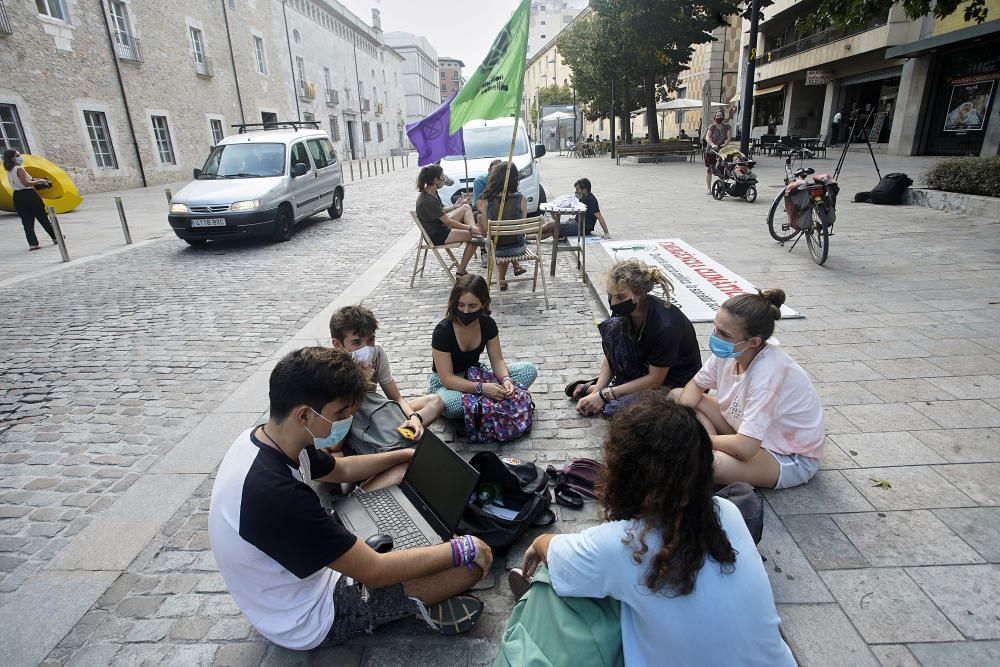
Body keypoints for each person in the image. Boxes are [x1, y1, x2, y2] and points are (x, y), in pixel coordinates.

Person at [209, 347, 492, 651]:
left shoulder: (270, 438)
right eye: (340, 414)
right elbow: (376, 571)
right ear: (304, 414)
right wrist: (462, 548)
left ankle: (412, 554)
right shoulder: (280, 497)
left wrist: (408, 455)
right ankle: (415, 604)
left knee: (397, 468)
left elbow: (340, 468)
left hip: (297, 570)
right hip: (310, 614)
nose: (346, 421)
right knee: (474, 563)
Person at [509, 393, 794, 666]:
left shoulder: (622, 544)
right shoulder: (727, 512)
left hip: (600, 567)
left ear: (620, 474)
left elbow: (554, 551)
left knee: (561, 577)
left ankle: (543, 616)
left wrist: (539, 542)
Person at [674, 289, 824, 489]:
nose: (715, 337)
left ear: (754, 342)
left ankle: (703, 447)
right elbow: (695, 386)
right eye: (715, 328)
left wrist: (699, 439)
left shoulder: (768, 375)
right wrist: (681, 423)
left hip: (785, 456)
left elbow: (745, 448)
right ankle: (703, 446)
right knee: (677, 395)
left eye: (723, 334)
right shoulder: (734, 351)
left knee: (711, 465)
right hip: (750, 434)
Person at [567, 259, 700, 417]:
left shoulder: (666, 326)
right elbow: (611, 355)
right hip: (644, 367)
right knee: (613, 328)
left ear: (639, 294)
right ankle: (605, 389)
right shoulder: (624, 309)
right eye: (610, 296)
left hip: (674, 380)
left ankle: (615, 390)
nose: (613, 303)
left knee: (615, 410)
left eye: (620, 297)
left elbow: (655, 380)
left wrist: (604, 395)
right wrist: (596, 393)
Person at [329, 305, 444, 445]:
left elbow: (397, 398)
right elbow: (338, 420)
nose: (366, 348)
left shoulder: (376, 354)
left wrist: (414, 417)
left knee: (435, 402)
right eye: (357, 342)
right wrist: (361, 382)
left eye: (370, 340)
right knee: (337, 452)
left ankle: (401, 430)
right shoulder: (332, 370)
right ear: (337, 344)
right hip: (349, 419)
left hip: (375, 412)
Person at [428, 274, 538, 420]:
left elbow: (497, 360)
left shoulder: (487, 324)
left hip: (475, 375)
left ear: (483, 304)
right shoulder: (443, 331)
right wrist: (481, 388)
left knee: (527, 370)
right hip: (447, 386)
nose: (466, 311)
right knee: (456, 405)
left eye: (472, 306)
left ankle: (482, 404)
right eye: (461, 305)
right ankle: (486, 402)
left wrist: (506, 380)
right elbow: (447, 378)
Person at [414, 164, 484, 277]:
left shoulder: (432, 192)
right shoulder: (426, 199)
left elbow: (440, 210)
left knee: (466, 207)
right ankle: (461, 271)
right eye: (442, 176)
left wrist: (455, 206)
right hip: (438, 234)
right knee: (476, 239)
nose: (443, 179)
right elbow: (448, 222)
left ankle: (474, 230)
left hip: (441, 225)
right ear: (435, 180)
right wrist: (469, 228)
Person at [477, 162, 528, 291]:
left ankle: (501, 280)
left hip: (495, 250)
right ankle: (502, 279)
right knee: (507, 239)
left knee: (499, 241)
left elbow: (483, 234)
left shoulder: (484, 200)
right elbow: (521, 228)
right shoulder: (521, 199)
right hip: (517, 249)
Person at [3, 149, 57, 251]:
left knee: (27, 221)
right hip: (28, 195)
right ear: (12, 158)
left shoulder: (9, 170)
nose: (20, 157)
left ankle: (33, 244)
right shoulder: (19, 169)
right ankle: (55, 237)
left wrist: (35, 179)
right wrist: (40, 181)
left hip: (18, 196)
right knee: (42, 217)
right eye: (17, 155)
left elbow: (25, 180)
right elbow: (26, 184)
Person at [471, 159, 503, 268]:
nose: (497, 174)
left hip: (496, 209)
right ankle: (484, 251)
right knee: (481, 217)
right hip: (481, 209)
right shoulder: (480, 181)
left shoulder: (504, 181)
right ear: (489, 171)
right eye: (495, 171)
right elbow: (478, 203)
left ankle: (505, 246)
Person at [704, 111, 732, 195]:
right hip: (711, 150)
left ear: (723, 117)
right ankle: (709, 188)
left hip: (721, 150)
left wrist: (726, 143)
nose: (719, 117)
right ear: (715, 117)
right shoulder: (712, 126)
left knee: (721, 169)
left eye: (721, 115)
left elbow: (729, 136)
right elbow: (707, 137)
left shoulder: (727, 126)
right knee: (710, 169)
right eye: (717, 116)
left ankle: (721, 187)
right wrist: (712, 144)